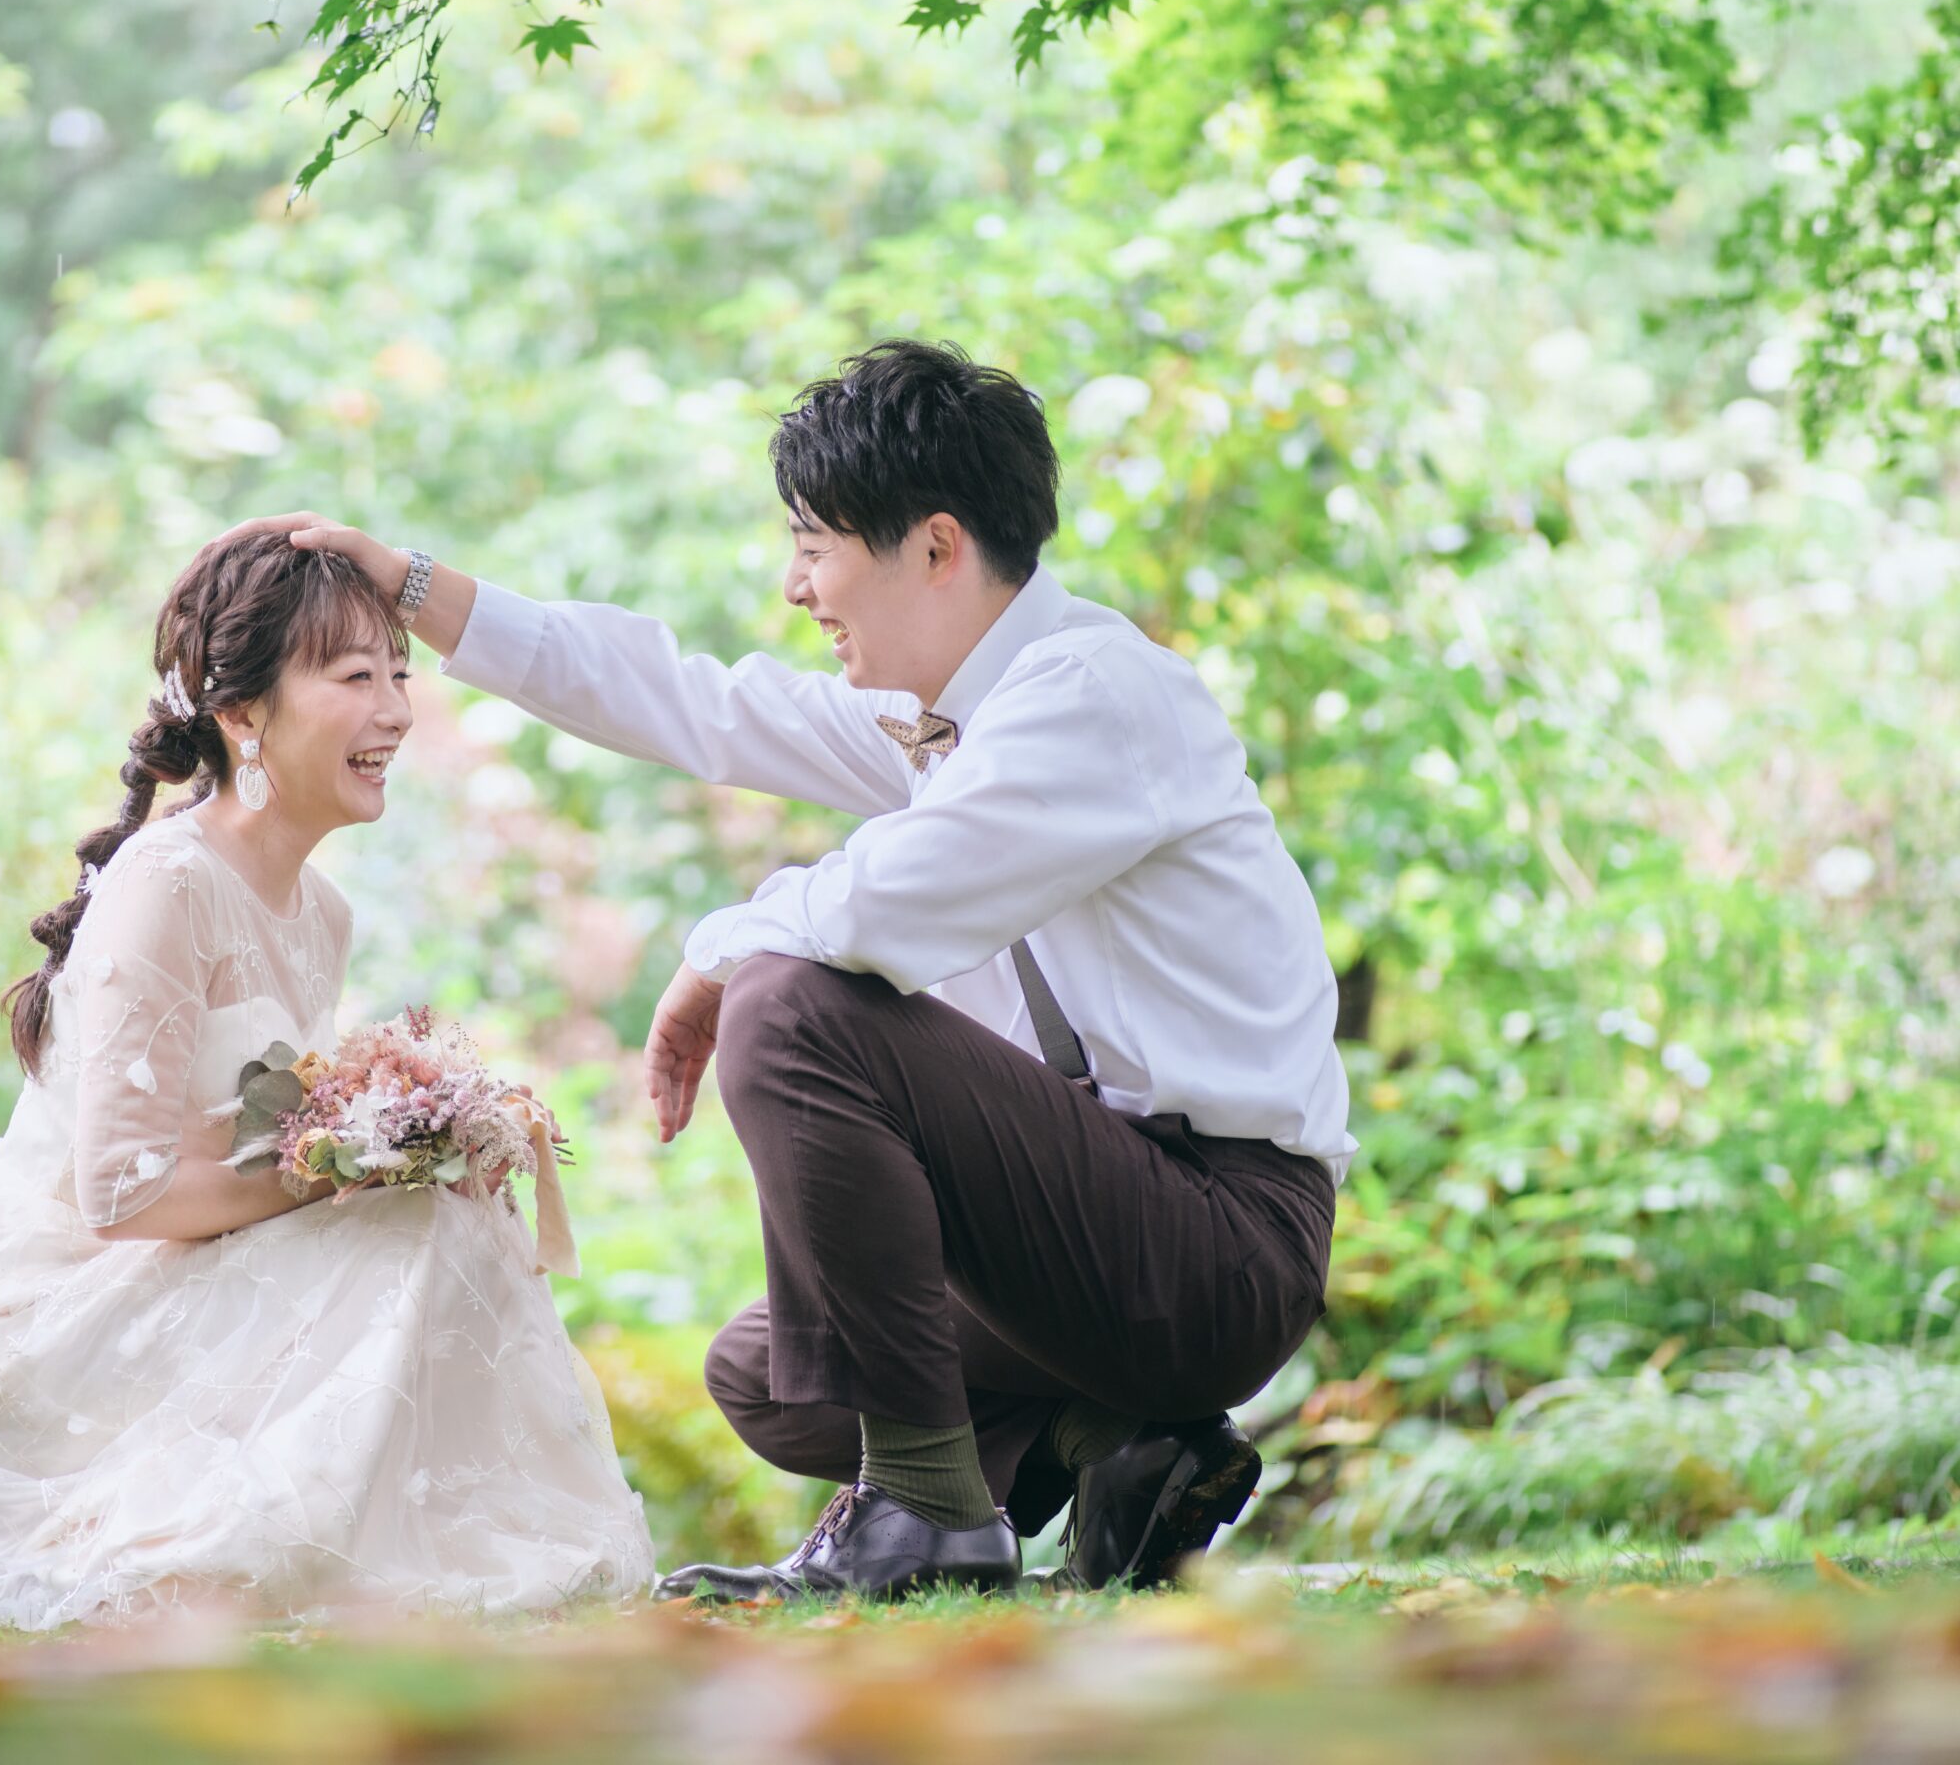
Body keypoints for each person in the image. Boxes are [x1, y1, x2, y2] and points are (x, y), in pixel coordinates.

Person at [239, 338, 1354, 1600]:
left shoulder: (1096, 695)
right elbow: (691, 704)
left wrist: (718, 954)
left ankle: (924, 1519)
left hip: (1218, 1240)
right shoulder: (948, 722)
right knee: (774, 1374)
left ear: (935, 547)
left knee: (788, 999)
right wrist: (415, 588)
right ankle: (1121, 1445)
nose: (794, 588)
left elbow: (888, 906)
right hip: (1104, 1232)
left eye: (814, 547)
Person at [0, 533, 652, 1629]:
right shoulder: (167, 885)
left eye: (400, 674)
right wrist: (348, 1172)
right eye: (355, 677)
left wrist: (405, 1153)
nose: (396, 711)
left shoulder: (321, 914)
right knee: (416, 1220)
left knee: (454, 1208)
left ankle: (437, 1552)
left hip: (188, 1267)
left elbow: (268, 1147)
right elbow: (120, 1195)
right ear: (245, 715)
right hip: (60, 1314)